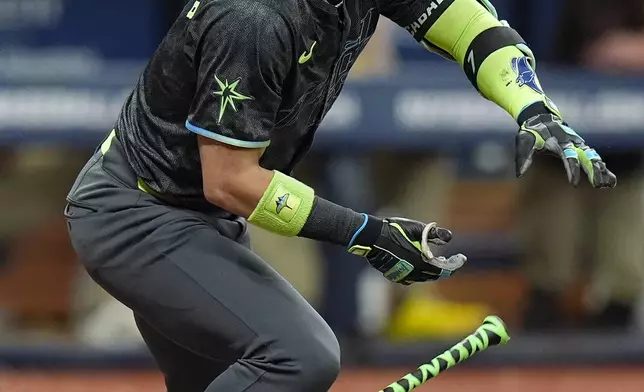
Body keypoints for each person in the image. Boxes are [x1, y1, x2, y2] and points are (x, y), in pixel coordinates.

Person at [64, 0, 616, 391]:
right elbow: (229, 180)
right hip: (137, 213)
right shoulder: (252, 18)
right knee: (299, 358)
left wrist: (533, 107)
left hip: (196, 219)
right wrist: (368, 235)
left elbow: (471, 24)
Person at [521, 0, 644, 331]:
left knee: (622, 292)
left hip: (630, 153)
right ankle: (546, 306)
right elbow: (606, 49)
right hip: (561, 137)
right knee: (547, 294)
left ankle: (617, 308)